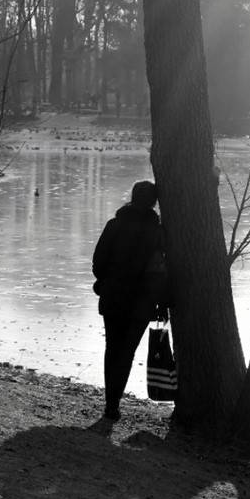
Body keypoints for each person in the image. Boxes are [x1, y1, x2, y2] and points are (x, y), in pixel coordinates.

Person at [92, 180, 164, 421]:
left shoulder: (114, 225)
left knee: (112, 349)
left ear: (132, 197)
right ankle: (113, 404)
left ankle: (110, 404)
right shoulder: (159, 232)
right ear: (155, 202)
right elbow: (162, 270)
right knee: (126, 352)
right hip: (142, 301)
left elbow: (98, 262)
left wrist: (105, 281)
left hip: (113, 295)